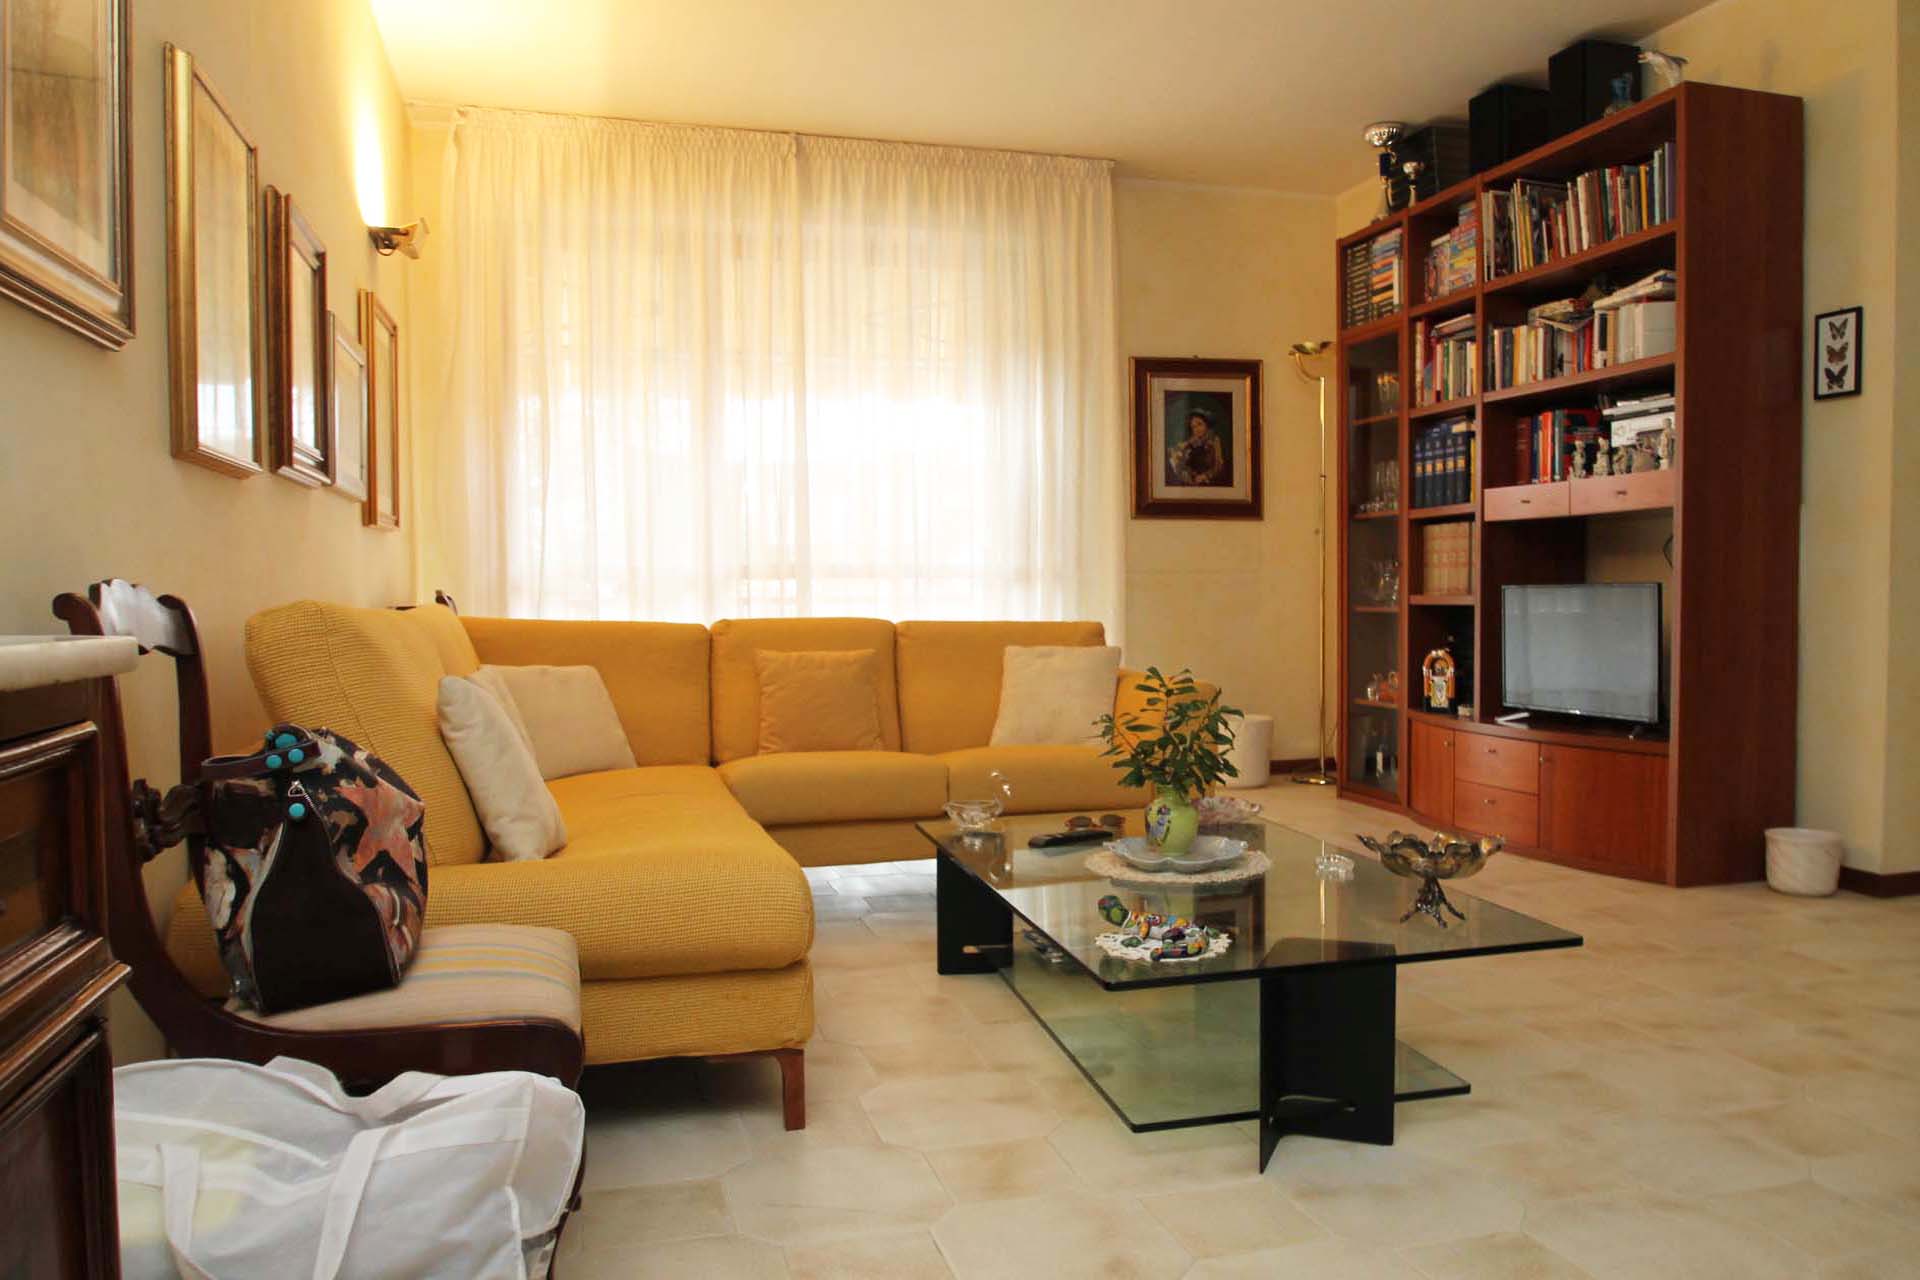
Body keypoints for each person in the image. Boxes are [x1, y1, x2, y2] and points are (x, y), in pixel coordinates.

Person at [1167, 408, 1229, 486]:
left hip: (1212, 482)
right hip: (1194, 482)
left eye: (1199, 424)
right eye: (1193, 427)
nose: (1197, 429)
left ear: (1206, 424)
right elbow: (1177, 456)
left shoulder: (1215, 441)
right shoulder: (1192, 442)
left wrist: (1206, 476)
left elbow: (1219, 466)